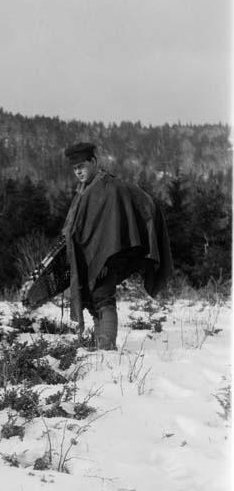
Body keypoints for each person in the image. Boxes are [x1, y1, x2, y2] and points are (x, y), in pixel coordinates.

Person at [62, 141, 173, 350]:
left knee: (103, 297)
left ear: (93, 162)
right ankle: (101, 343)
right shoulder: (83, 191)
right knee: (94, 297)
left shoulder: (109, 187)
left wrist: (111, 254)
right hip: (92, 256)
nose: (78, 172)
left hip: (109, 255)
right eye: (75, 168)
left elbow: (139, 206)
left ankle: (106, 346)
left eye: (82, 166)